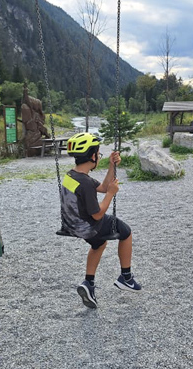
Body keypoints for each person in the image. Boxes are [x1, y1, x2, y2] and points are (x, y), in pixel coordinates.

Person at [63, 132, 142, 309]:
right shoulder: (84, 183)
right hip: (89, 225)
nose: (99, 157)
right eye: (99, 154)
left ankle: (89, 284)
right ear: (92, 156)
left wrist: (112, 166)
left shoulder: (73, 176)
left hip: (73, 225)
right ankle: (126, 277)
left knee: (98, 244)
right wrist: (111, 194)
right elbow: (98, 214)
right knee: (126, 232)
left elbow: (102, 186)